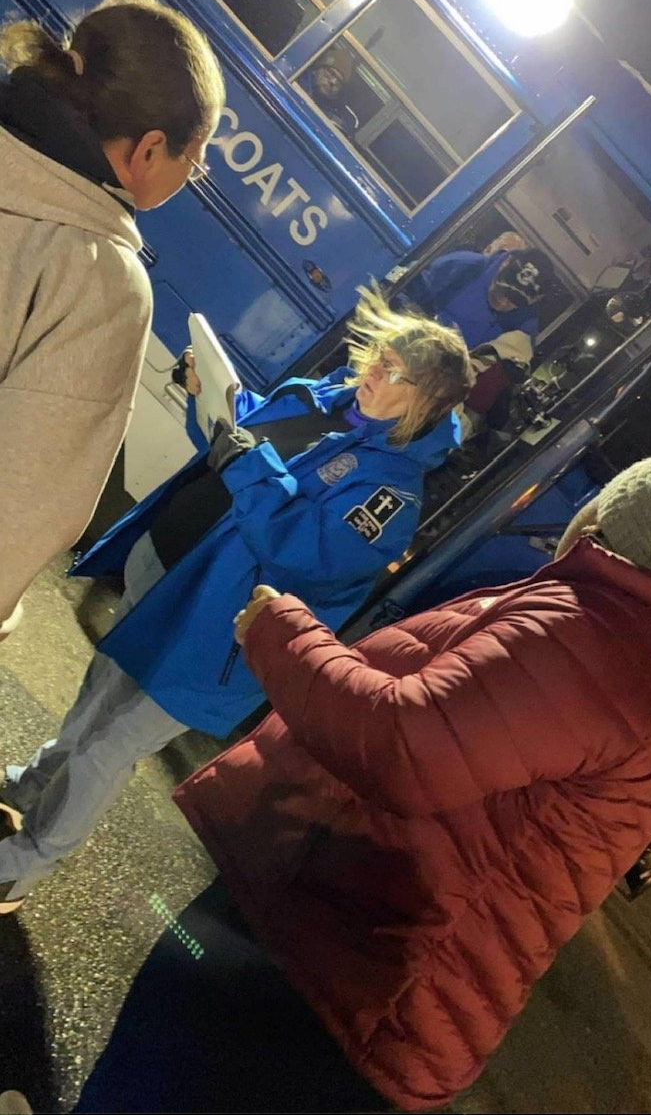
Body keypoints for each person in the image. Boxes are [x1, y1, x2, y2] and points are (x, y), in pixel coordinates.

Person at [141, 453, 651, 1114]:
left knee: (145, 1082)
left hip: (334, 975)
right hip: (351, 960)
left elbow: (405, 743)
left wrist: (278, 631)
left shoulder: (608, 633)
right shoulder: (648, 647)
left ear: (627, 523)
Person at [0, 288, 473, 913]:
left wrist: (248, 464)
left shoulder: (391, 494)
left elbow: (302, 548)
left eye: (394, 374)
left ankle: (24, 865)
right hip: (173, 569)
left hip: (217, 631)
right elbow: (242, 430)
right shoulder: (321, 395)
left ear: (426, 403)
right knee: (100, 696)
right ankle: (32, 787)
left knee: (113, 745)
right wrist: (207, 396)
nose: (373, 374)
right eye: (377, 356)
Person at [0, 0, 225, 643]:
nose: (193, 172)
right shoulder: (101, 280)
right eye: (197, 157)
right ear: (151, 149)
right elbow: (23, 502)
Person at [401, 237, 555, 349]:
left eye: (514, 300)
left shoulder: (523, 327)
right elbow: (406, 292)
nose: (503, 302)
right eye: (502, 290)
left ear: (534, 300)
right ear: (505, 263)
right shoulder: (464, 266)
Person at [304, 45, 359, 136]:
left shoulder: (342, 118)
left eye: (339, 81)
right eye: (330, 73)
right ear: (317, 69)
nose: (333, 82)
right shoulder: (295, 81)